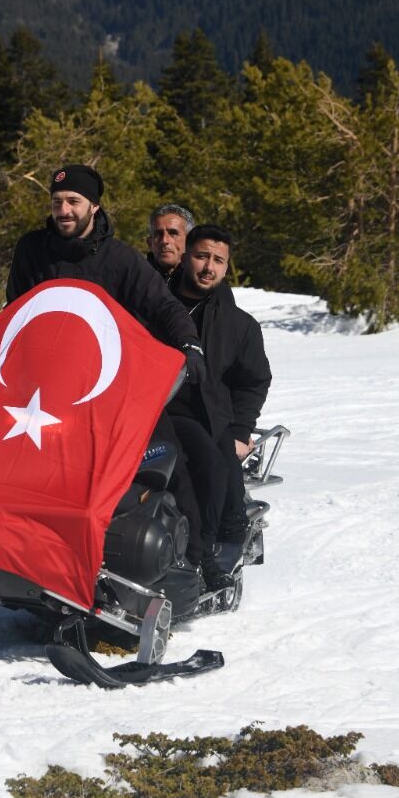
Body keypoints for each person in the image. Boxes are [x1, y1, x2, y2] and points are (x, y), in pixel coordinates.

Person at [6, 165, 213, 569]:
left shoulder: (120, 259)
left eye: (73, 202)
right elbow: (15, 309)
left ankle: (199, 561)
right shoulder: (32, 249)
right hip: (46, 387)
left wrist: (188, 344)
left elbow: (164, 306)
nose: (63, 210)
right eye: (57, 202)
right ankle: (18, 546)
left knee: (171, 456)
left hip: (112, 386)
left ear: (94, 207)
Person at [165, 223, 272, 583]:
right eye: (201, 256)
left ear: (227, 267)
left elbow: (254, 381)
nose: (209, 267)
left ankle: (204, 556)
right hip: (152, 411)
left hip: (210, 419)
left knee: (213, 468)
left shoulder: (239, 325)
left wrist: (241, 430)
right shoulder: (156, 306)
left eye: (218, 260)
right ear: (185, 257)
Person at [145, 203, 194, 279]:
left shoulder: (203, 280)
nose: (164, 240)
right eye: (158, 234)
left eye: (173, 233)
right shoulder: (134, 280)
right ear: (150, 243)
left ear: (189, 241)